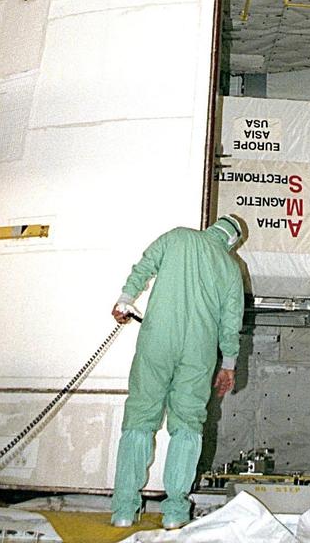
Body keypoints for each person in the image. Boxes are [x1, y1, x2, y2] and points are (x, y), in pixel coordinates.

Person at [110, 216, 245, 530]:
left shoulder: (177, 237)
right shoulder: (230, 268)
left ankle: (124, 511)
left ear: (212, 228)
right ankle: (174, 513)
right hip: (199, 352)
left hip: (157, 341)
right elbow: (231, 322)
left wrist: (125, 299)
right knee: (188, 426)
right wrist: (228, 364)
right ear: (231, 242)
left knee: (140, 418)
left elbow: (144, 266)